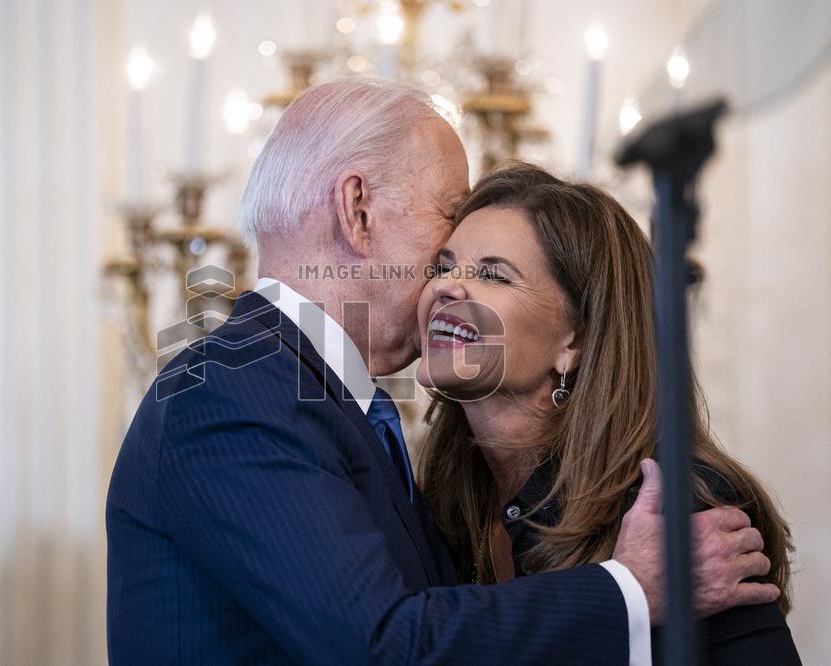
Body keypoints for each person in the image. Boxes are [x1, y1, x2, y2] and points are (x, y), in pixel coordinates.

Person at [106, 78, 779, 664]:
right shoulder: (237, 391)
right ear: (359, 211)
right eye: (450, 218)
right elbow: (384, 646)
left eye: (491, 270)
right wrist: (630, 589)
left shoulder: (340, 409)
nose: (446, 280)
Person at [417, 161, 800, 663]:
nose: (447, 287)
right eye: (444, 267)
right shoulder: (438, 505)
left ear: (575, 341)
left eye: (492, 274)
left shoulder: (678, 505)